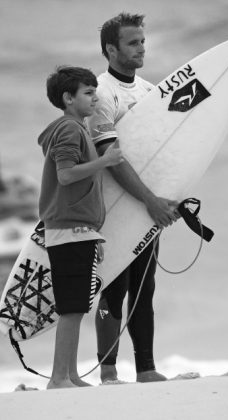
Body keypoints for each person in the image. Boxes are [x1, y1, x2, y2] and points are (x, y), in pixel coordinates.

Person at [87, 13, 179, 384]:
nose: (142, 48)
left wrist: (167, 196)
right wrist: (150, 200)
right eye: (133, 42)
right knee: (114, 287)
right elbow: (112, 159)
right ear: (111, 49)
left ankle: (146, 369)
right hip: (113, 206)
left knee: (145, 286)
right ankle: (108, 371)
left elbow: (166, 150)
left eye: (143, 40)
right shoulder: (99, 93)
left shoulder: (149, 91)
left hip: (146, 204)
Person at [38, 66, 123, 389]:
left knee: (76, 306)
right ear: (68, 98)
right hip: (70, 229)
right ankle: (59, 377)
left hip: (77, 229)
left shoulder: (74, 128)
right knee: (72, 308)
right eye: (88, 93)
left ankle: (70, 374)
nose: (94, 98)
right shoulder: (70, 130)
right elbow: (66, 175)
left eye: (94, 91)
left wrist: (94, 233)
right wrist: (105, 161)